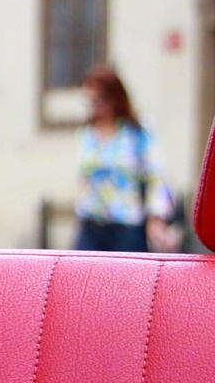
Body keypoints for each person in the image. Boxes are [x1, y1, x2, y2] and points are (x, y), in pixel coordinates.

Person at [75, 64, 181, 252]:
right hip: (92, 223)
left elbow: (156, 175)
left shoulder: (136, 132)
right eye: (90, 100)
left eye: (100, 100)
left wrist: (156, 218)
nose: (95, 106)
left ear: (114, 98)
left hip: (126, 224)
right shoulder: (87, 134)